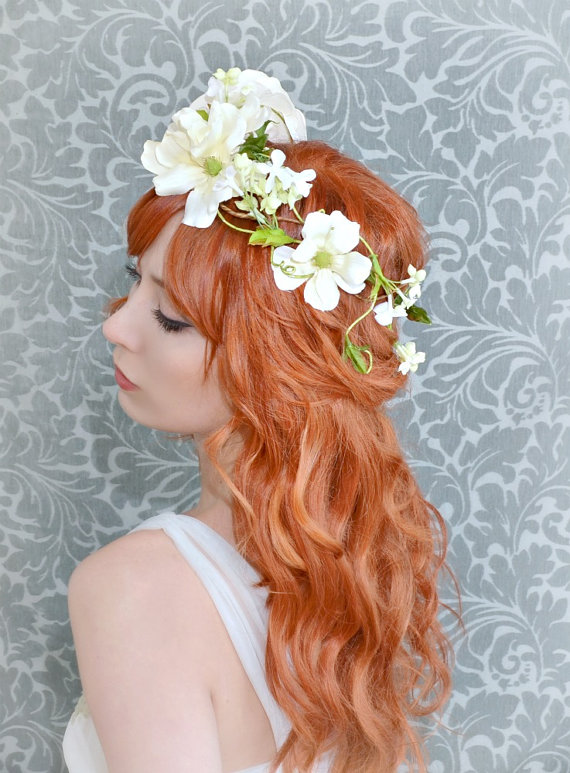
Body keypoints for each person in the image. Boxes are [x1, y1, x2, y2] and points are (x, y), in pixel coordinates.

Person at [63, 67, 453, 773]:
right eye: (133, 284)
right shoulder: (350, 570)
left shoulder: (133, 589)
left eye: (171, 318)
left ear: (273, 363)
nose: (116, 327)